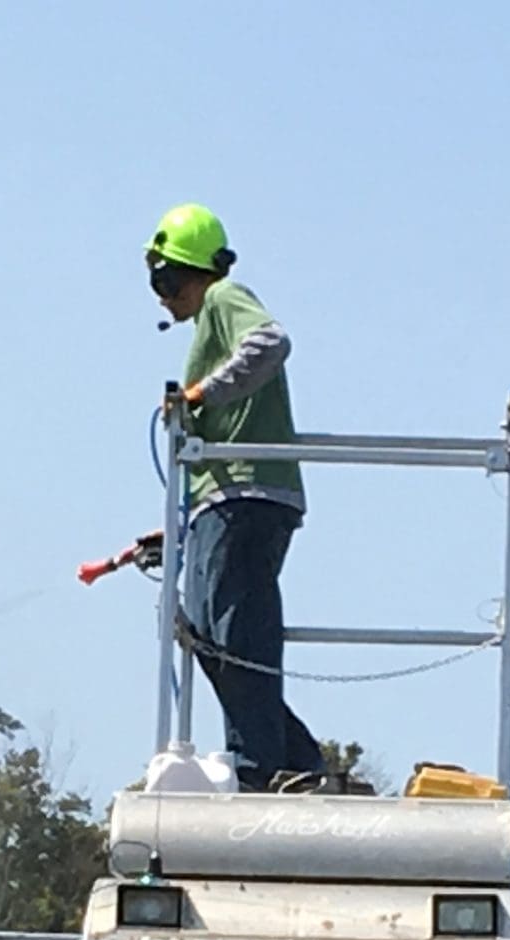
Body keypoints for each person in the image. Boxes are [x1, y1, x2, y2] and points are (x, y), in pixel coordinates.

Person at [144, 202, 334, 792]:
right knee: (205, 627)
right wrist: (175, 528)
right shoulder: (207, 325)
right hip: (218, 499)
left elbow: (271, 344)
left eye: (164, 278)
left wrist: (200, 394)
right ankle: (293, 757)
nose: (160, 293)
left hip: (245, 494)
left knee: (232, 629)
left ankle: (260, 766)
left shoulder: (226, 299)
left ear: (188, 270)